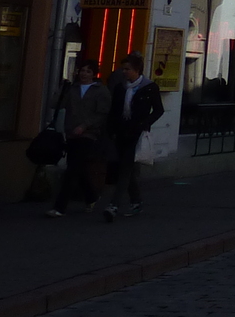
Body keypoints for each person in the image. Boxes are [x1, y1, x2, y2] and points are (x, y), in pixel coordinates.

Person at [101, 52, 164, 221]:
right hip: (121, 132)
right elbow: (114, 111)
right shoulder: (121, 88)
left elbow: (159, 109)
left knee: (125, 168)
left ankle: (114, 205)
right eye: (123, 69)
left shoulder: (149, 87)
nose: (124, 72)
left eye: (127, 69)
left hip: (137, 132)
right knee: (124, 166)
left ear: (137, 70)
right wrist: (111, 129)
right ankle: (136, 201)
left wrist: (145, 123)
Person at [47, 59, 110, 218]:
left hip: (89, 134)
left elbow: (102, 113)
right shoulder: (72, 89)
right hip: (71, 132)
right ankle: (92, 197)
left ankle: (60, 207)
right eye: (82, 70)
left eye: (88, 71)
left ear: (93, 74)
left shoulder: (100, 91)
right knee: (77, 167)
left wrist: (85, 126)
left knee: (72, 169)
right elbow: (55, 104)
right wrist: (62, 89)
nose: (84, 74)